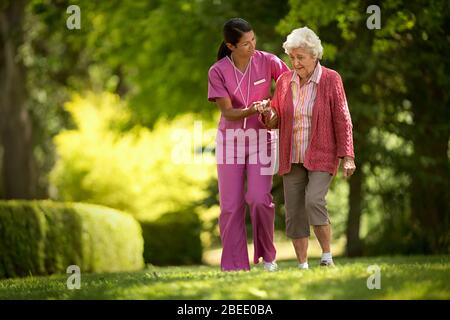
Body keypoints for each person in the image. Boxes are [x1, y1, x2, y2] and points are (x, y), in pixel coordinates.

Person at [263, 27, 356, 269]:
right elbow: (275, 118)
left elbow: (342, 118)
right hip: (291, 155)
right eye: (292, 57)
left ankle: (326, 256)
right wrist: (268, 112)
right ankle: (302, 264)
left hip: (322, 153)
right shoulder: (284, 82)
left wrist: (347, 156)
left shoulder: (331, 79)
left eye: (300, 57)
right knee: (294, 211)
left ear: (315, 56)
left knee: (314, 200)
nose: (295, 63)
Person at [207, 18, 289, 271]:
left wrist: (273, 108)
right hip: (230, 143)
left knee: (259, 199)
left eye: (254, 39)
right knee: (231, 206)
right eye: (245, 44)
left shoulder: (268, 61)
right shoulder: (217, 71)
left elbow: (290, 84)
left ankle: (268, 257)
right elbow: (229, 113)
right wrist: (251, 110)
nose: (252, 47)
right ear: (230, 46)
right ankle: (234, 265)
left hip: (260, 140)